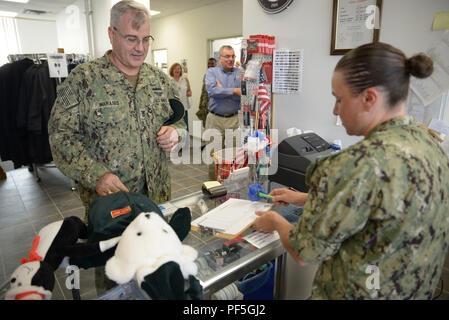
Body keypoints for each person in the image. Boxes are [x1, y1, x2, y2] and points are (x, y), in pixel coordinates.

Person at [254, 42, 449, 300]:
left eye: (339, 99)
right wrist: (305, 198)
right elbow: (384, 205)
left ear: (369, 98)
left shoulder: (354, 164)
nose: (335, 109)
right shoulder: (431, 145)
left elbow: (305, 252)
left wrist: (275, 222)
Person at [48, 1, 185, 221]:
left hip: (157, 202)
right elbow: (60, 137)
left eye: (145, 39)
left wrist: (177, 133)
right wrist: (96, 176)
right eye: (131, 39)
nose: (140, 48)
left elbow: (179, 120)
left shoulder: (159, 80)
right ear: (111, 35)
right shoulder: (83, 81)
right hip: (110, 209)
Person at [204, 46, 242, 179]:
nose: (231, 59)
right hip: (215, 119)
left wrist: (223, 89)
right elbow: (212, 91)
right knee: (213, 155)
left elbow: (243, 94)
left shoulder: (239, 73)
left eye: (233, 56)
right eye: (227, 56)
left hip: (234, 119)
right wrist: (234, 90)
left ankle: (231, 188)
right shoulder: (212, 72)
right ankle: (213, 187)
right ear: (219, 58)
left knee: (233, 155)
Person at [169, 62, 191, 131]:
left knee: (185, 127)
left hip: (184, 108)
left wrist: (189, 93)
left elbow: (189, 91)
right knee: (175, 128)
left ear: (181, 70)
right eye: (175, 69)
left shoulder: (185, 80)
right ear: (172, 70)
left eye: (178, 68)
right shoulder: (169, 81)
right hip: (173, 109)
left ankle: (186, 141)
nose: (177, 70)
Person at [196, 58, 217, 128]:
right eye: (209, 63)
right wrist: (200, 103)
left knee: (214, 126)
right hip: (205, 105)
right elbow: (203, 90)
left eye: (212, 63)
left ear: (216, 65)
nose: (210, 65)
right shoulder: (206, 75)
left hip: (214, 106)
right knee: (206, 125)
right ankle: (207, 138)